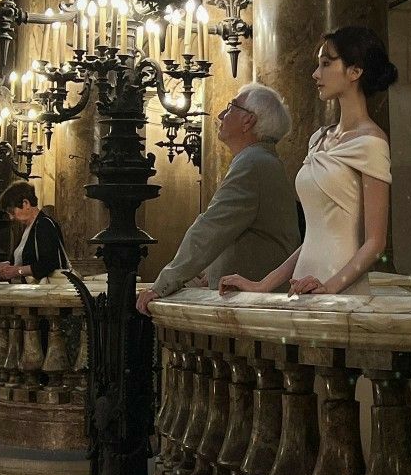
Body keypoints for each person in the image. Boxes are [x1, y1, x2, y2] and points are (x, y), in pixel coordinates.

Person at [220, 26, 397, 297]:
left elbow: (375, 242)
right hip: (304, 285)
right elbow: (314, 236)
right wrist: (263, 284)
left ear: (355, 71)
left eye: (326, 64)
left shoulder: (371, 142)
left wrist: (330, 287)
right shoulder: (317, 139)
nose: (316, 74)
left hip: (339, 288)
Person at [135, 83, 300, 314]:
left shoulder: (252, 164)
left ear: (248, 121)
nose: (222, 114)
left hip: (251, 310)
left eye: (231, 107)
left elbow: (210, 229)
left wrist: (163, 284)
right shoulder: (262, 161)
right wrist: (206, 273)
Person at [0, 181, 70, 282]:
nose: (11, 217)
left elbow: (49, 264)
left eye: (12, 212)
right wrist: (8, 265)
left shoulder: (44, 224)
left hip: (43, 292)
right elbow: (28, 260)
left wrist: (18, 271)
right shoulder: (27, 228)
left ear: (26, 203)